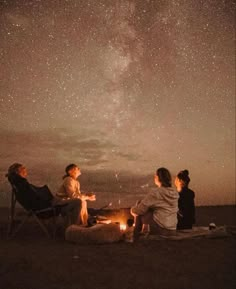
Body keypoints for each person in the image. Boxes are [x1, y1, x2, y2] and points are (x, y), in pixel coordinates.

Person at [6, 163, 82, 225]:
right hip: (47, 209)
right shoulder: (23, 184)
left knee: (73, 201)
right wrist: (51, 200)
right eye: (23, 168)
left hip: (47, 205)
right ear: (17, 171)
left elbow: (33, 198)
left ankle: (71, 226)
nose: (25, 169)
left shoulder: (20, 185)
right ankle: (73, 228)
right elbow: (36, 199)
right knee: (78, 201)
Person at [131, 167, 179, 238]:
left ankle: (136, 233)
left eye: (155, 175)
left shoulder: (156, 192)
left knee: (140, 205)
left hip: (161, 230)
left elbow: (139, 210)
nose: (154, 177)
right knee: (149, 207)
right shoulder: (174, 193)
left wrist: (132, 210)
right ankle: (138, 232)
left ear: (158, 177)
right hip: (172, 230)